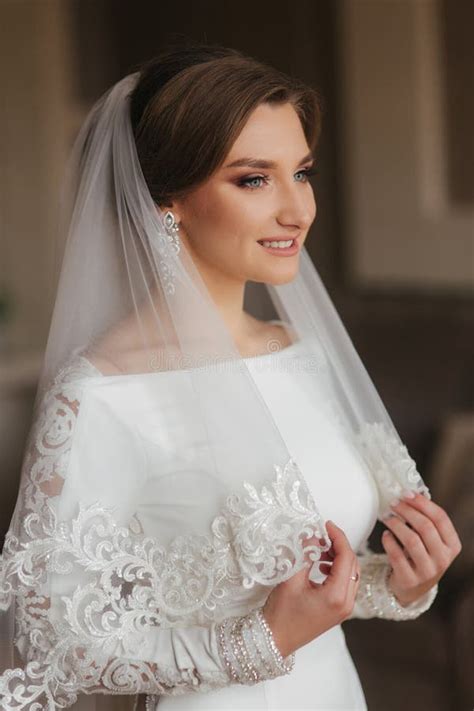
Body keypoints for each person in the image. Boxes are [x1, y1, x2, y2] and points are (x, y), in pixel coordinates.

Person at [0, 43, 462, 711]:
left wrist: (403, 579)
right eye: (253, 179)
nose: (296, 208)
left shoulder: (296, 351)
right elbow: (51, 638)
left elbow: (317, 582)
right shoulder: (101, 394)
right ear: (168, 202)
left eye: (301, 172)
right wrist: (254, 645)